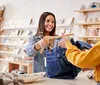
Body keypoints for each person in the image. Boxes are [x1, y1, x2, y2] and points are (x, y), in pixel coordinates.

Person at [25, 12, 81, 79]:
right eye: (48, 21)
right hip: (40, 77)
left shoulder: (58, 39)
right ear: (42, 22)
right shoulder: (34, 38)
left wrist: (66, 45)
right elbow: (29, 53)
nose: (50, 24)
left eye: (53, 22)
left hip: (56, 77)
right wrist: (38, 45)